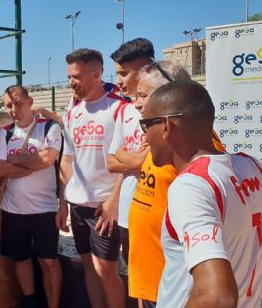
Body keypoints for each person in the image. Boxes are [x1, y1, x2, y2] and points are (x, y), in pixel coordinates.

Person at [141, 80, 262, 307]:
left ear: (166, 126)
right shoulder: (250, 167)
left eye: (145, 125)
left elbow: (217, 297)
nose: (144, 136)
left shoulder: (191, 187)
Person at [110, 61, 196, 308]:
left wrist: (131, 157)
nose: (135, 103)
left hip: (171, 285)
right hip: (149, 278)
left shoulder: (188, 145)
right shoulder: (158, 136)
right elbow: (117, 155)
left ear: (170, 95)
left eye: (143, 96)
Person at [56, 48, 127, 308]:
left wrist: (113, 202)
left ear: (96, 73)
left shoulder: (119, 109)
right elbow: (67, 159)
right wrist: (63, 202)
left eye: (76, 76)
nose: (70, 82)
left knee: (105, 269)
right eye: (69, 76)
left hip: (103, 206)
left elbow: (129, 162)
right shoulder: (73, 112)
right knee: (88, 266)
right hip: (77, 204)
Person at [0, 85, 63, 308]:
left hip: (45, 209)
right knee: (20, 258)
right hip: (13, 209)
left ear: (30, 102)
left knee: (49, 262)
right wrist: (34, 161)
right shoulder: (4, 133)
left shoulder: (49, 127)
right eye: (8, 105)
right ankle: (30, 301)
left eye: (18, 103)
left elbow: (48, 159)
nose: (14, 109)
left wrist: (13, 160)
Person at [106, 38, 155, 273]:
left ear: (146, 68)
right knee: (136, 282)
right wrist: (135, 160)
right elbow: (110, 161)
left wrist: (126, 157)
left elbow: (156, 162)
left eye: (124, 73)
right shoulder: (125, 111)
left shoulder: (168, 110)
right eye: (116, 73)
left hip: (156, 213)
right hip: (128, 213)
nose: (118, 81)